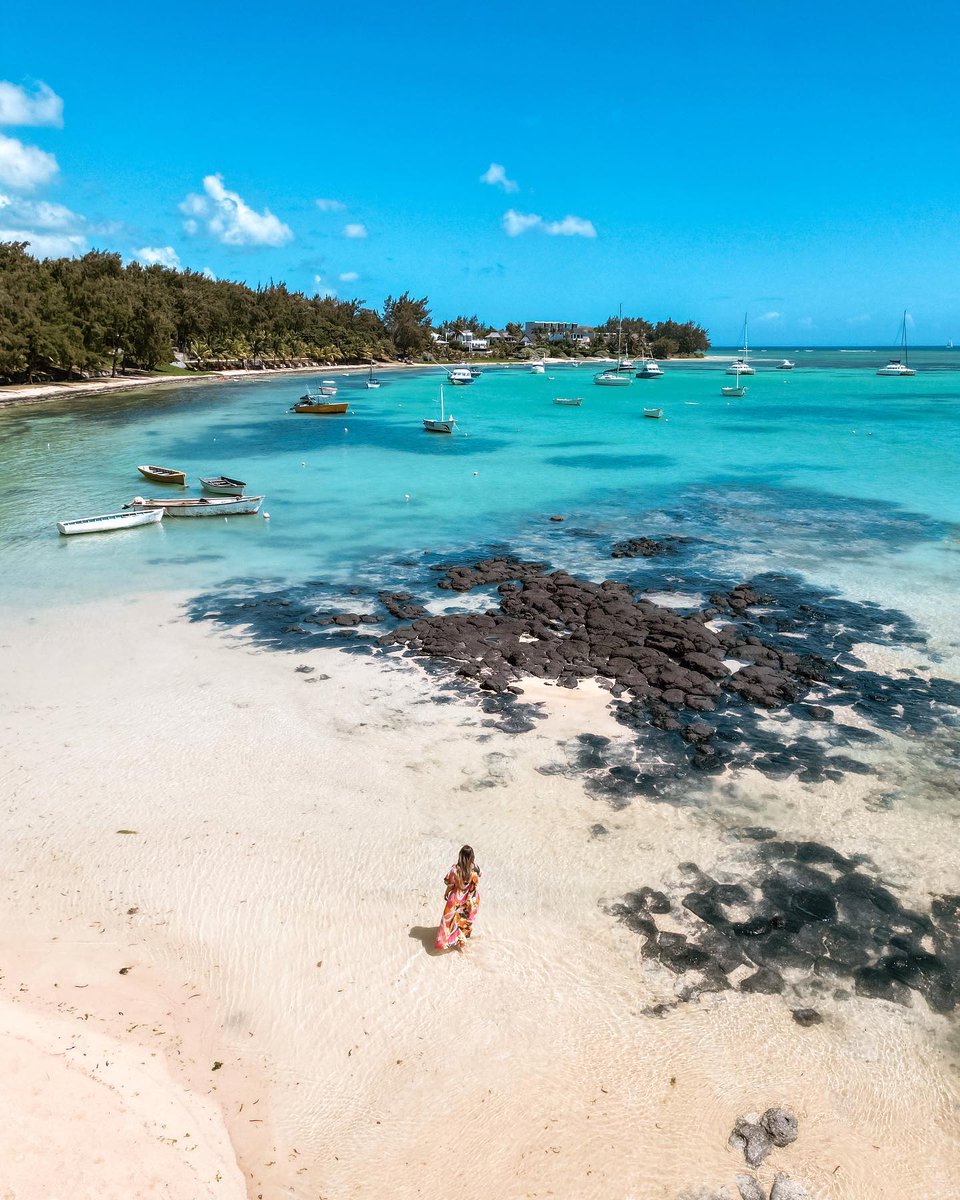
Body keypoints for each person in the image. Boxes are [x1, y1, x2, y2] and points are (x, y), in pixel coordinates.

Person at [434, 845, 481, 952]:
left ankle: (452, 941)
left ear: (460, 855)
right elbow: (479, 876)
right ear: (472, 856)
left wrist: (446, 893)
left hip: (456, 899)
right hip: (471, 899)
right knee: (463, 921)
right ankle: (462, 944)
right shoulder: (476, 868)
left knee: (450, 922)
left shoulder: (455, 869)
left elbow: (450, 884)